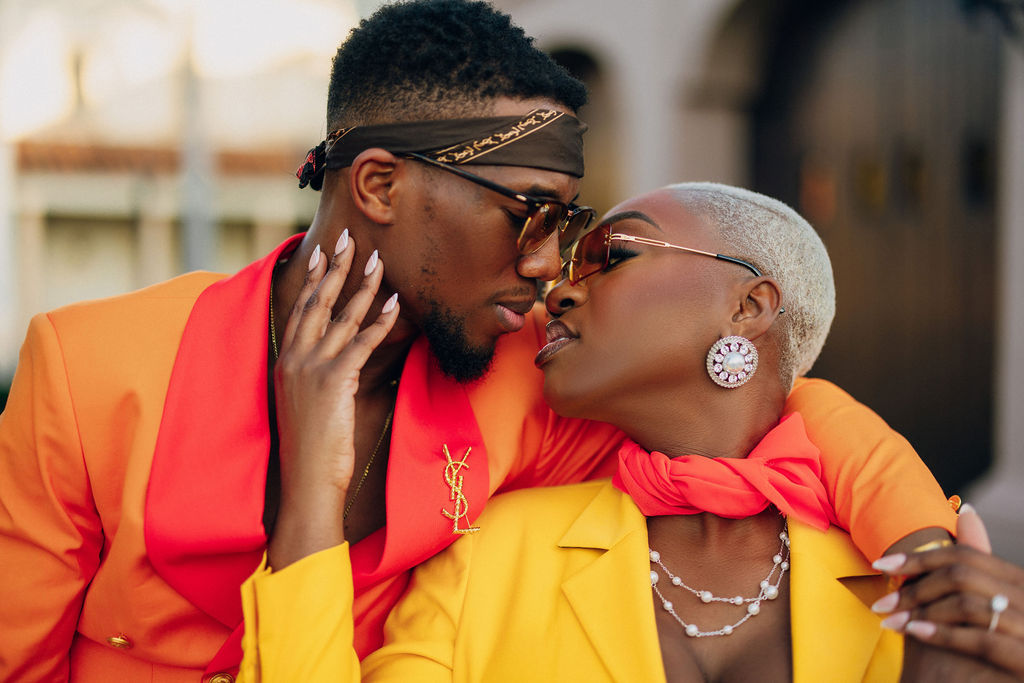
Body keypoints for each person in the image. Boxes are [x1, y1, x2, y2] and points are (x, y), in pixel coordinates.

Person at [0, 2, 956, 680]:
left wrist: (928, 548)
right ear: (378, 186)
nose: (549, 266)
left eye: (573, 227)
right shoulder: (92, 370)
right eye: (530, 213)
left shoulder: (526, 380)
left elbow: (778, 413)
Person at [237, 183, 1024, 681]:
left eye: (609, 255)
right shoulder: (486, 552)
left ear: (748, 307)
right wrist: (311, 491)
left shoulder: (917, 582)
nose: (558, 291)